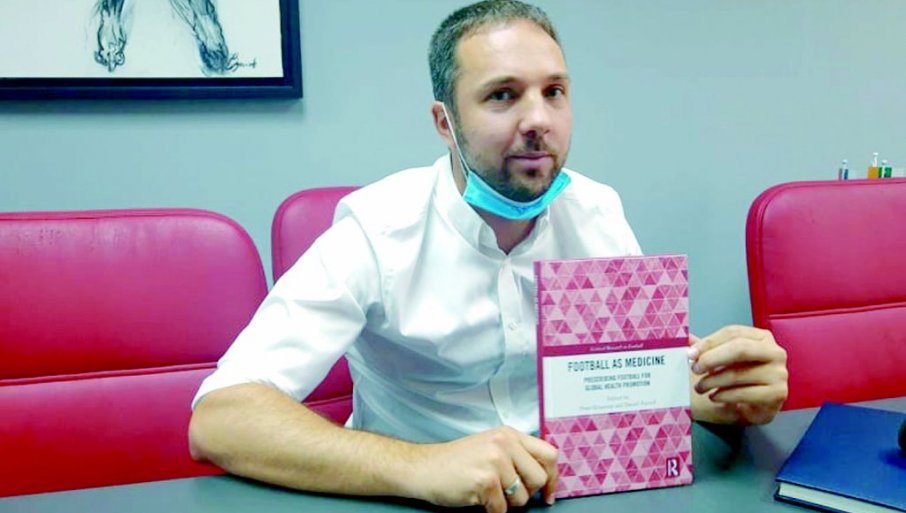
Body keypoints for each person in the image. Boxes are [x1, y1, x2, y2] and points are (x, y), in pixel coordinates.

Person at [188, 2, 789, 512]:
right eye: (503, 95)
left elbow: (630, 386)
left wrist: (727, 395)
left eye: (554, 92)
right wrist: (420, 466)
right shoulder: (376, 232)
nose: (539, 120)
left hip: (575, 493)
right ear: (444, 123)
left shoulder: (596, 213)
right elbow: (220, 418)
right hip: (415, 501)